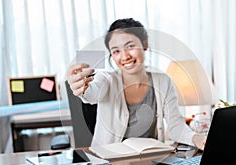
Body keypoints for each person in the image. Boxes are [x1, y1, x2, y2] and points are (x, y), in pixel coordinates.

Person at [67, 18, 206, 149]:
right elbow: (92, 94)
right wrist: (82, 89)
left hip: (151, 163)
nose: (125, 56)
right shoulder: (106, 79)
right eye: (116, 51)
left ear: (144, 44)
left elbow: (176, 126)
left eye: (130, 46)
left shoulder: (163, 81)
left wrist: (197, 139)